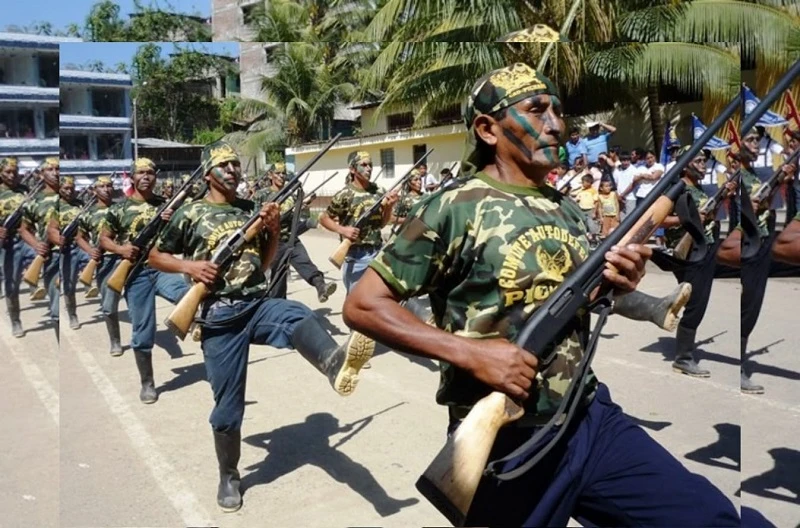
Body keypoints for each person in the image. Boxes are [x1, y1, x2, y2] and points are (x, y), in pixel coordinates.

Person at [342, 63, 739, 527]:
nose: (555, 124)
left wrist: (618, 281)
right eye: (535, 110)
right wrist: (472, 354)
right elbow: (364, 303)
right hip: (509, 442)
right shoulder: (453, 206)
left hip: (588, 417)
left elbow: (573, 296)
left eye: (557, 110)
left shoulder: (565, 208)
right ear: (488, 129)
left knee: (709, 517)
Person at [148, 141, 373, 512]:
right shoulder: (190, 212)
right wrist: (190, 268)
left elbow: (265, 265)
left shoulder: (249, 209)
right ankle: (229, 474)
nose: (234, 170)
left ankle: (333, 362)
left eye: (237, 165)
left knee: (297, 312)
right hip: (219, 316)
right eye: (226, 165)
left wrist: (269, 231)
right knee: (228, 410)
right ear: (208, 175)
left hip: (256, 303)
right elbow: (155, 255)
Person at [99, 158, 189, 404]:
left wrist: (172, 220)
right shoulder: (119, 209)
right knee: (142, 332)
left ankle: (191, 325)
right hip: (136, 275)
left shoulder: (166, 205)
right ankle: (147, 383)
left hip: (162, 268)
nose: (147, 177)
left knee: (187, 294)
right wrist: (121, 250)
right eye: (141, 173)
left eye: (151, 173)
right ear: (132, 177)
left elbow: (182, 234)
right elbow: (104, 239)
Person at [716, 127, 777, 394]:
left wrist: (779, 185)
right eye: (750, 140)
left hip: (762, 243)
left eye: (757, 140)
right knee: (746, 309)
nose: (756, 144)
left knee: (752, 308)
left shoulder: (754, 175)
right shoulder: (738, 179)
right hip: (747, 248)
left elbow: (768, 209)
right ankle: (739, 369)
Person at [251, 162, 337, 303]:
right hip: (274, 241)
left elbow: (296, 218)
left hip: (291, 238)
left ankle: (321, 286)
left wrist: (305, 213)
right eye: (278, 173)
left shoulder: (290, 194)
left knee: (305, 262)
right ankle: (278, 305)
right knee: (279, 275)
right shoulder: (262, 195)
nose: (281, 176)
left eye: (283, 173)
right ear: (271, 175)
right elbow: (254, 218)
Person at [318, 151, 398, 293]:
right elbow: (323, 218)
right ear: (352, 169)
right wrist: (342, 230)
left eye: (370, 165)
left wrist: (389, 207)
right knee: (357, 303)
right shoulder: (344, 195)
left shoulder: (379, 191)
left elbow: (381, 224)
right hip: (356, 256)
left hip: (378, 252)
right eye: (364, 165)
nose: (369, 168)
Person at [76, 175, 122, 355]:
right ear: (95, 191)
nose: (107, 189)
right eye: (102, 186)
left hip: (125, 259)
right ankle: (115, 340)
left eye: (109, 186)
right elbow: (79, 236)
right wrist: (90, 250)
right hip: (105, 262)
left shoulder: (122, 208)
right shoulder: (88, 213)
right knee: (109, 307)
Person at [18, 157, 61, 336]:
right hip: (52, 257)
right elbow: (24, 229)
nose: (55, 172)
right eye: (50, 169)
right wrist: (37, 246)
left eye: (57, 169)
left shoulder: (72, 200)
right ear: (41, 175)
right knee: (57, 311)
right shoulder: (34, 202)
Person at [47, 175, 90, 330]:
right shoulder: (56, 208)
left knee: (96, 261)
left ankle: (89, 284)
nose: (70, 191)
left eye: (72, 188)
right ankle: (72, 314)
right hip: (65, 251)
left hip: (81, 245)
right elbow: (50, 230)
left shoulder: (81, 205)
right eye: (66, 188)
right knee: (69, 285)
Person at [0, 157, 37, 337]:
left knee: (44, 258)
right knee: (11, 285)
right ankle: (16, 320)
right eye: (7, 172)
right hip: (7, 245)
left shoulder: (25, 191)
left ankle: (33, 282)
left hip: (27, 239)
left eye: (14, 172)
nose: (12, 175)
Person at [574, 174, 599, 244]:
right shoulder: (581, 190)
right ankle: (585, 238)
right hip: (582, 210)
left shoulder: (593, 191)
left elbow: (596, 201)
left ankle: (594, 238)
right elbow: (577, 200)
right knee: (583, 224)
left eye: (583, 182)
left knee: (591, 224)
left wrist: (594, 212)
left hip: (590, 210)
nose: (582, 184)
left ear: (588, 182)